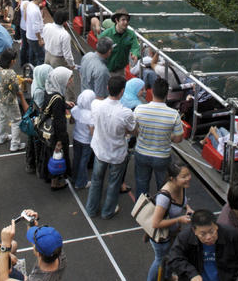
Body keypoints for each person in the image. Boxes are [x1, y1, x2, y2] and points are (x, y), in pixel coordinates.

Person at [86, 75, 136, 219]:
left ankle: (91, 209)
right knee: (114, 184)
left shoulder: (96, 104)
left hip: (100, 150)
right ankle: (107, 212)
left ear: (108, 88)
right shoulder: (126, 113)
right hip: (116, 154)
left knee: (96, 181)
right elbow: (133, 130)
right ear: (122, 92)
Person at [133, 77, 184, 200]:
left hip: (141, 153)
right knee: (163, 188)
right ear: (166, 94)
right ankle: (161, 212)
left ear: (152, 92)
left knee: (141, 184)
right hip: (162, 156)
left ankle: (140, 213)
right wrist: (167, 136)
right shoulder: (173, 114)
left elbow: (134, 130)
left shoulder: (139, 109)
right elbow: (178, 139)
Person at [167, 209, 238, 281]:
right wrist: (192, 274)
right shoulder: (185, 238)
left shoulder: (231, 235)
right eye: (203, 234)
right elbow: (174, 258)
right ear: (194, 230)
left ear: (216, 226)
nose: (209, 237)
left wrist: (231, 278)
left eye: (212, 231)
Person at [147, 162, 194, 281]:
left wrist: (187, 208)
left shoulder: (181, 186)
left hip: (173, 233)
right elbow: (155, 223)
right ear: (172, 179)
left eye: (188, 174)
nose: (188, 178)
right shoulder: (164, 197)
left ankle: (167, 277)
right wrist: (179, 219)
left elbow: (181, 201)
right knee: (160, 260)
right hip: (162, 238)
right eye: (184, 176)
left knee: (171, 257)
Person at [37, 67, 73, 189]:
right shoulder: (57, 99)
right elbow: (59, 122)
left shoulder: (50, 90)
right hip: (56, 134)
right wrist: (60, 140)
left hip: (48, 131)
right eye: (69, 79)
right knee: (57, 156)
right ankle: (55, 183)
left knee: (49, 155)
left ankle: (48, 176)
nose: (71, 81)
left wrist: (64, 103)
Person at [0, 48, 28, 152]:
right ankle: (15, 145)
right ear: (11, 61)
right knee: (16, 121)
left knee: (2, 117)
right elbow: (17, 89)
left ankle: (2, 137)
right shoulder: (10, 73)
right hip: (9, 101)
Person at [26, 64, 53, 175]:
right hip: (39, 121)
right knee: (38, 145)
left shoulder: (36, 81)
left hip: (33, 117)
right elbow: (42, 108)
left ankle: (30, 164)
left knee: (31, 141)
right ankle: (38, 168)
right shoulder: (40, 92)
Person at [98, 8, 140, 75]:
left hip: (121, 70)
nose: (126, 22)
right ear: (117, 20)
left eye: (127, 20)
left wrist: (135, 54)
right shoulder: (106, 34)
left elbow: (135, 47)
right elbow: (98, 50)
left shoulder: (131, 34)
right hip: (105, 69)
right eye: (123, 20)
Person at [70, 89, 95, 189]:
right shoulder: (91, 115)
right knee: (83, 162)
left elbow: (72, 121)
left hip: (76, 138)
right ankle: (81, 182)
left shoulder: (75, 109)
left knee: (76, 159)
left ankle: (74, 177)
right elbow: (92, 132)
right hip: (86, 141)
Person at [25, 0, 48, 67]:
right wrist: (40, 39)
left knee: (32, 55)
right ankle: (36, 74)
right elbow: (36, 27)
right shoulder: (35, 10)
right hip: (35, 38)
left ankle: (32, 72)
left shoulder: (30, 4)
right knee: (41, 58)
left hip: (30, 35)